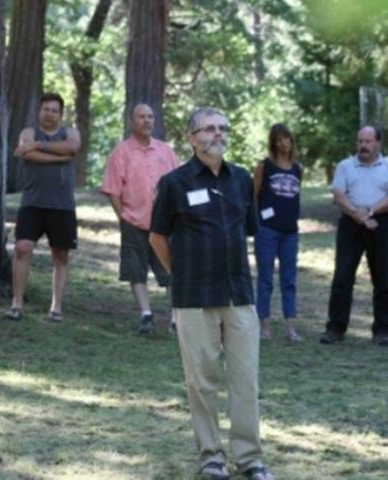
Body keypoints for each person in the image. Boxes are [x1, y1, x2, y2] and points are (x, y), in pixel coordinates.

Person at [150, 107, 275, 480]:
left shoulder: (241, 179)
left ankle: (250, 459)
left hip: (239, 294)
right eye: (208, 129)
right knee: (202, 381)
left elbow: (248, 230)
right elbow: (157, 237)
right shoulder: (174, 183)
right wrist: (181, 273)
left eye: (222, 128)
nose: (217, 134)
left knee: (245, 379)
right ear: (192, 138)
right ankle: (211, 458)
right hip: (194, 297)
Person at [101, 103, 179, 334]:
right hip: (134, 222)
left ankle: (176, 318)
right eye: (141, 117)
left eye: (150, 117)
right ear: (131, 121)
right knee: (136, 271)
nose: (147, 121)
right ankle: (146, 315)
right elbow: (113, 190)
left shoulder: (166, 151)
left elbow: (179, 184)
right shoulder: (121, 153)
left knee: (172, 270)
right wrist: (123, 217)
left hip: (164, 224)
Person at [6, 92, 81, 322]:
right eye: (46, 109)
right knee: (22, 248)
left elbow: (73, 147)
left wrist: (40, 145)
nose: (49, 114)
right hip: (32, 202)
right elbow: (28, 154)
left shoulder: (70, 132)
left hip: (62, 205)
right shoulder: (28, 132)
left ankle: (56, 307)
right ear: (39, 111)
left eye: (54, 110)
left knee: (61, 255)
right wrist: (59, 157)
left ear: (61, 114)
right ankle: (17, 303)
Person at [321, 125, 388, 346]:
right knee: (342, 276)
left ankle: (383, 330)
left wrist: (370, 212)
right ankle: (335, 328)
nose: (363, 145)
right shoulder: (345, 166)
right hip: (351, 224)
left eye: (368, 141)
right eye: (360, 141)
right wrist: (359, 216)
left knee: (384, 278)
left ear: (378, 143)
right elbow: (338, 195)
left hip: (381, 224)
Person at [253, 123, 303, 343]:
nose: (284, 143)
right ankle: (264, 326)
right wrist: (256, 223)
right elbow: (253, 197)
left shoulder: (298, 168)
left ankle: (290, 327)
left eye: (286, 138)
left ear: (292, 140)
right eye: (279, 139)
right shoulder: (264, 166)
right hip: (267, 230)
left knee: (289, 280)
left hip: (290, 232)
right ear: (273, 143)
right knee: (265, 279)